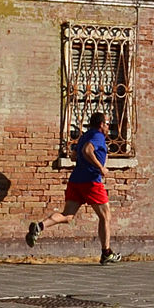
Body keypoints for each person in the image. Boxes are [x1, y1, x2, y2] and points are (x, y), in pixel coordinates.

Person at [27, 112, 118, 262]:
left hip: (76, 180)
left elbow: (73, 155)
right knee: (105, 216)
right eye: (107, 124)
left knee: (67, 216)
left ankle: (40, 226)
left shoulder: (85, 135)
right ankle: (106, 253)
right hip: (91, 181)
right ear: (101, 124)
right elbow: (87, 150)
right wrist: (100, 167)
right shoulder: (97, 136)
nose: (109, 127)